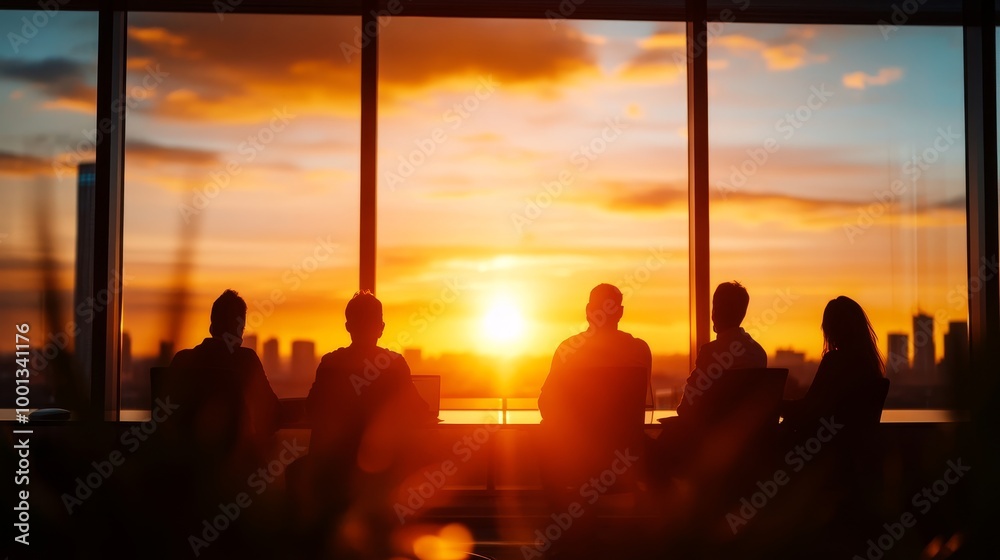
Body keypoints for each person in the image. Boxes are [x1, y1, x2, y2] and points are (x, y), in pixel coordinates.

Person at [538, 283, 652, 488]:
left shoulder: (569, 350)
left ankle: (559, 512)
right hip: (624, 460)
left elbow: (546, 405)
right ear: (620, 312)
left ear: (588, 311)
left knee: (544, 435)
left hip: (577, 461)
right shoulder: (639, 350)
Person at [167, 289, 280, 453]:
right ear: (240, 329)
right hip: (233, 466)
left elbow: (166, 418)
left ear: (212, 328)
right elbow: (272, 411)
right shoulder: (246, 361)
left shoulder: (181, 360)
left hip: (184, 465)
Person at [676, 281, 768, 419]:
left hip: (708, 436)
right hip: (749, 437)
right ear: (742, 313)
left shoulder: (710, 352)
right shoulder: (759, 353)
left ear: (715, 313)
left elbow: (685, 408)